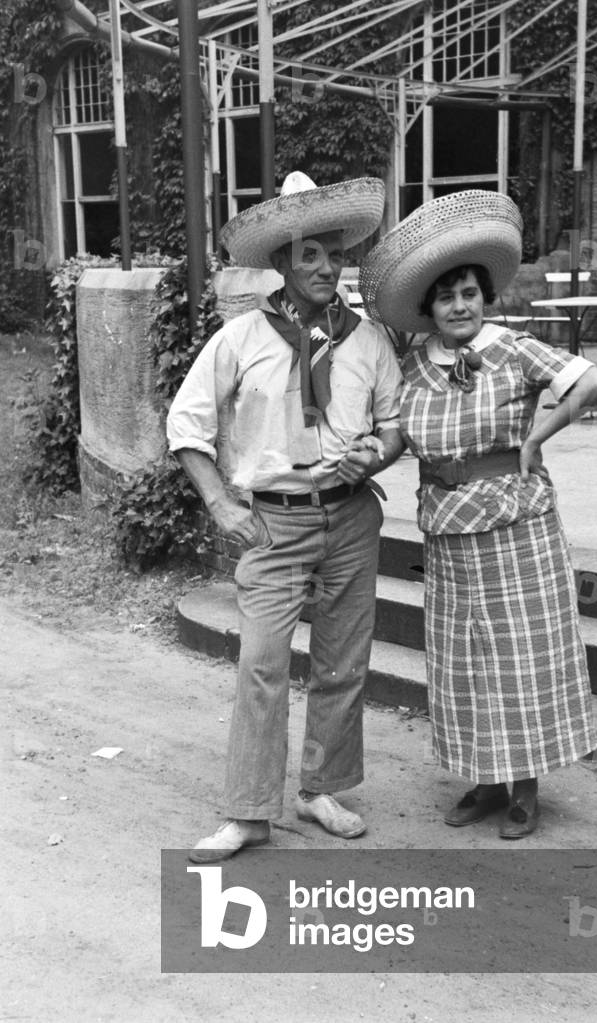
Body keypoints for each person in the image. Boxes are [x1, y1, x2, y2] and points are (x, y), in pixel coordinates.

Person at [359, 190, 597, 839]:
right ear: (430, 308)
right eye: (446, 297)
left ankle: (524, 785)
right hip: (448, 533)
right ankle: (485, 777)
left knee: (520, 654)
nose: (459, 305)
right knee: (464, 660)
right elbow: (393, 435)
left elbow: (591, 381)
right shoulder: (412, 365)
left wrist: (536, 437)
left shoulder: (513, 347)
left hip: (516, 528)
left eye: (468, 292)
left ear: (483, 295)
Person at [167, 172, 404, 861]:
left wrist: (374, 457)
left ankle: (321, 787)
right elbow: (187, 425)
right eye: (310, 256)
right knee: (261, 664)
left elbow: (392, 427)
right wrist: (219, 503)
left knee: (342, 661)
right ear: (280, 264)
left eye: (335, 253)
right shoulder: (240, 338)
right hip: (271, 523)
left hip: (352, 519)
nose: (328, 267)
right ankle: (247, 811)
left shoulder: (369, 341)